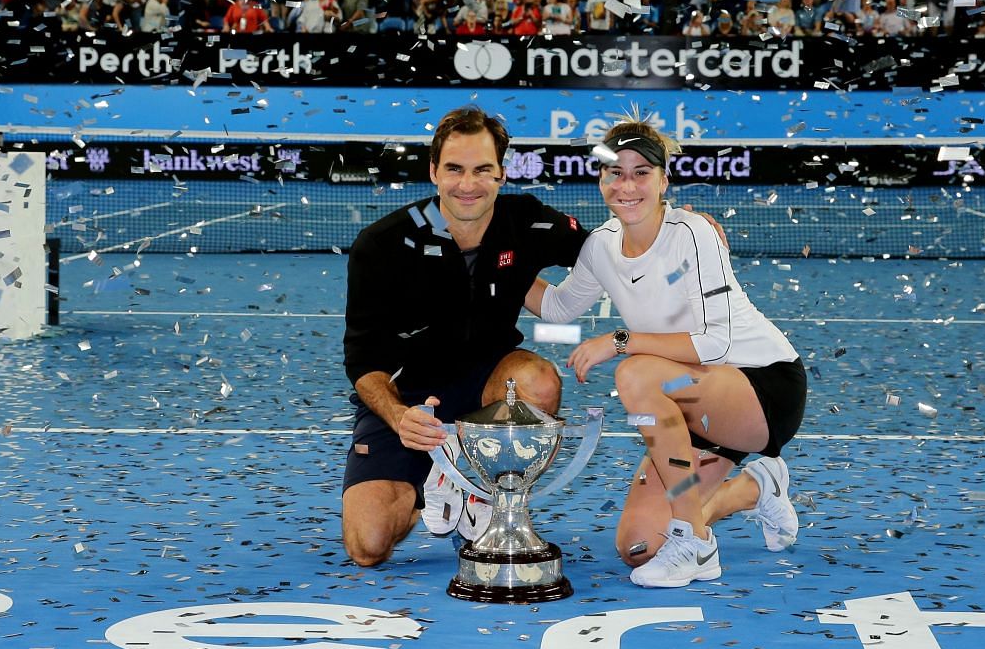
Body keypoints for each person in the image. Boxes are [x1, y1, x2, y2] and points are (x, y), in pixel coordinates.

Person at [528, 120, 804, 589]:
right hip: (689, 404)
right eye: (615, 172)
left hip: (760, 387)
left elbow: (714, 342)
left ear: (663, 180)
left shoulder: (692, 233)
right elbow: (556, 307)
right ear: (600, 179)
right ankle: (758, 488)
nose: (627, 185)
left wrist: (618, 342)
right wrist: (489, 263)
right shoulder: (600, 246)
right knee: (638, 549)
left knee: (635, 374)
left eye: (641, 173)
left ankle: (694, 542)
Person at [340, 107, 589, 568]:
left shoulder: (529, 221)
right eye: (454, 169)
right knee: (368, 545)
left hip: (488, 382)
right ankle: (438, 482)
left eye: (482, 170)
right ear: (434, 171)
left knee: (538, 381)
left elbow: (607, 252)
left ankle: (483, 494)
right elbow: (363, 359)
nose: (467, 184)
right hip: (409, 395)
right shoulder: (383, 245)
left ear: (502, 172)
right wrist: (396, 415)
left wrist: (672, 227)